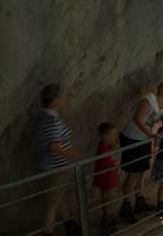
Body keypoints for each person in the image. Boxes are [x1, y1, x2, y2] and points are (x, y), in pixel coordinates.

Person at [119, 80, 163, 223]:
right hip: (132, 138)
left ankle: (139, 200)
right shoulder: (150, 99)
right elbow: (137, 119)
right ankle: (126, 205)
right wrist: (151, 135)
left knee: (141, 170)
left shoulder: (161, 107)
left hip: (142, 139)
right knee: (133, 173)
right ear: (159, 87)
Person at [35, 83, 82, 236]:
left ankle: (70, 225)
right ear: (55, 100)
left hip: (48, 167)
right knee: (51, 206)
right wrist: (76, 156)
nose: (64, 99)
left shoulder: (43, 115)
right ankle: (48, 232)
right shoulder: (51, 120)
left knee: (57, 199)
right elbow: (55, 147)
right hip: (54, 169)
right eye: (61, 96)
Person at [92, 123, 121, 231]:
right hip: (106, 179)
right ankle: (106, 221)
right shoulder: (102, 149)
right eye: (113, 134)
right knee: (108, 200)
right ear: (105, 136)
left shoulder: (105, 145)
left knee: (110, 198)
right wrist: (115, 162)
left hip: (108, 177)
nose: (115, 137)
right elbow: (108, 163)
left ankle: (110, 217)